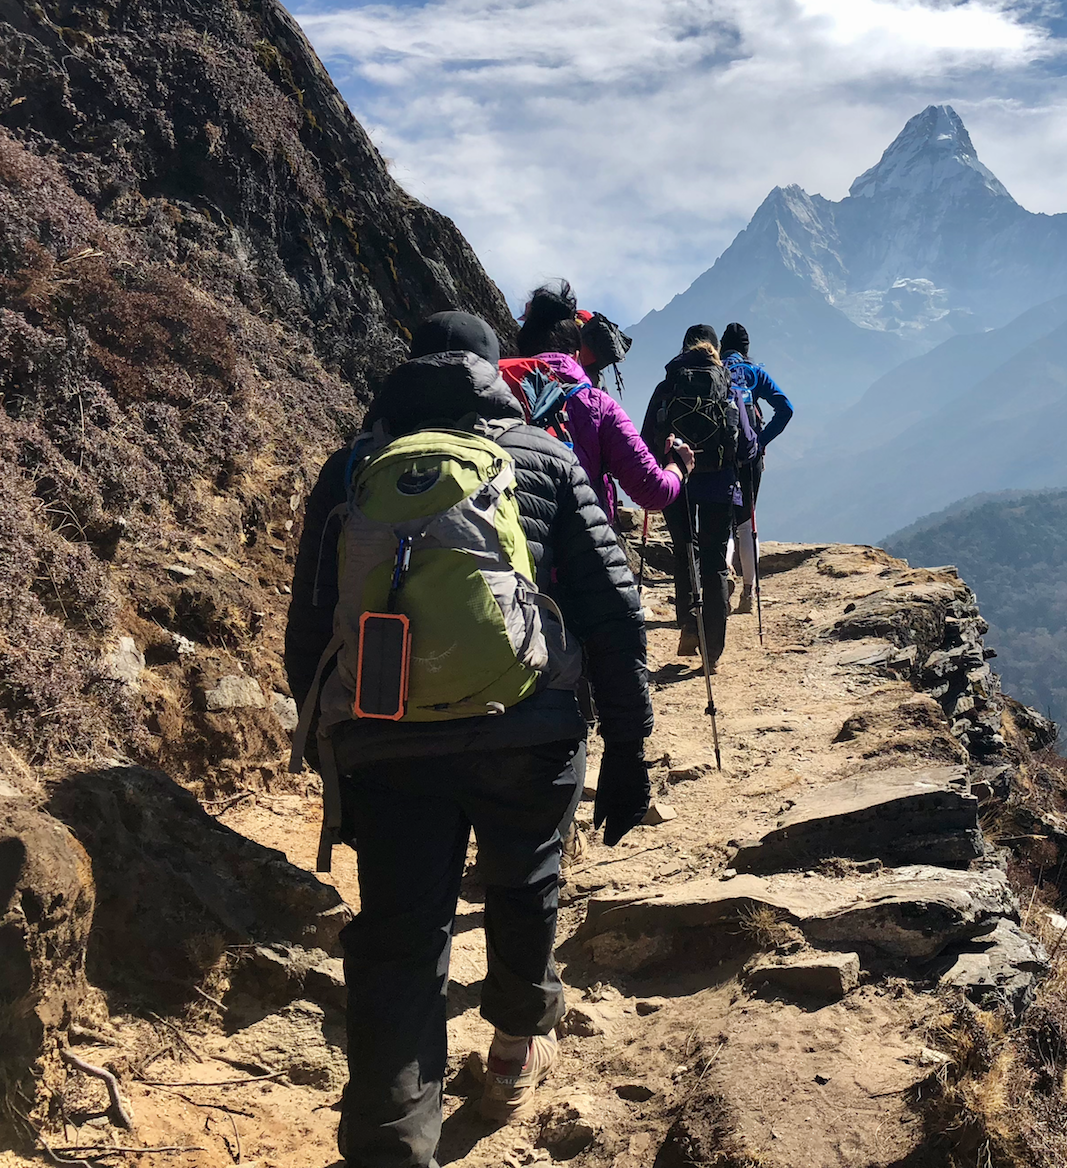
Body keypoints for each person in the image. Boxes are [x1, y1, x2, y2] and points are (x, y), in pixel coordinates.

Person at [284, 311, 654, 1166]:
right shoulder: (544, 454)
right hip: (529, 726)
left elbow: (310, 625)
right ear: (496, 374)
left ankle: (388, 1136)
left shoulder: (349, 468)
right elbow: (612, 611)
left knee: (400, 936)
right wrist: (628, 748)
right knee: (525, 883)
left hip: (385, 734)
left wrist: (328, 738)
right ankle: (515, 1051)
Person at [502, 281, 692, 522]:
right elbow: (652, 490)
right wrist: (678, 468)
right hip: (572, 548)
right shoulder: (597, 405)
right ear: (576, 355)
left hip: (496, 545)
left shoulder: (493, 389)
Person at [640, 324, 750, 673]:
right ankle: (712, 650)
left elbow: (645, 437)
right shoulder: (728, 385)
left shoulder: (669, 384)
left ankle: (689, 625)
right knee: (716, 561)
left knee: (686, 549)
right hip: (719, 485)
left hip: (677, 483)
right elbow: (746, 444)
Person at [719, 322, 793, 615]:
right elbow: (785, 409)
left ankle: (723, 571)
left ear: (722, 346)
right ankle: (749, 592)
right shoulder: (753, 373)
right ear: (746, 350)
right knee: (746, 521)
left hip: (717, 458)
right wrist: (760, 442)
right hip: (749, 460)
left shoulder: (713, 371)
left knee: (720, 520)